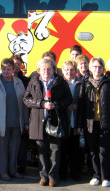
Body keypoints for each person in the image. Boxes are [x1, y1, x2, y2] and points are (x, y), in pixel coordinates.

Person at [23, 58, 73, 187]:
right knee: (41, 151)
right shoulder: (33, 82)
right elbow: (26, 99)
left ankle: (53, 176)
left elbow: (69, 99)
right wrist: (41, 104)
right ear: (39, 70)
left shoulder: (61, 82)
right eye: (43, 69)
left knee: (55, 151)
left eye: (49, 69)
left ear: (53, 70)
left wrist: (55, 105)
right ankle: (43, 176)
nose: (46, 71)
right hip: (39, 121)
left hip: (56, 122)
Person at [77, 57, 110, 187]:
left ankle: (106, 176)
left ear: (103, 69)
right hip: (90, 123)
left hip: (106, 122)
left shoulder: (109, 83)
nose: (97, 69)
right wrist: (79, 124)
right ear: (90, 68)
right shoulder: (85, 84)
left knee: (105, 150)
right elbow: (81, 106)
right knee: (93, 151)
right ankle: (96, 175)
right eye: (94, 67)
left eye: (99, 67)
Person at [0, 58, 27, 181]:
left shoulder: (19, 83)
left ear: (14, 70)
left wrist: (25, 122)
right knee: (2, 148)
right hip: (1, 122)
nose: (6, 71)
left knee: (15, 147)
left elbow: (24, 105)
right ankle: (3, 171)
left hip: (16, 122)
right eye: (3, 69)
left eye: (9, 69)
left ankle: (12, 170)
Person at [59, 60, 83, 181]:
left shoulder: (81, 83)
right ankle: (62, 174)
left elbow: (85, 101)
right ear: (63, 71)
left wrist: (77, 106)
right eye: (66, 70)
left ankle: (75, 173)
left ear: (76, 71)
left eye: (72, 70)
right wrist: (66, 105)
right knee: (62, 150)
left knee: (75, 150)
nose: (69, 72)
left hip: (76, 121)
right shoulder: (59, 83)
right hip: (63, 122)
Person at [12, 54, 30, 174]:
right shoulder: (3, 79)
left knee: (22, 143)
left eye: (19, 64)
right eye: (15, 64)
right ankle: (11, 166)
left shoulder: (25, 80)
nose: (17, 66)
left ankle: (22, 166)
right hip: (10, 116)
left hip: (22, 114)